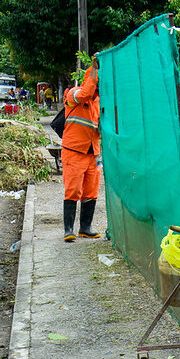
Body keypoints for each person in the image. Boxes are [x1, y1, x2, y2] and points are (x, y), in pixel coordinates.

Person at [61, 58, 102, 242]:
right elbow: (86, 93)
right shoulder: (74, 94)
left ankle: (85, 228)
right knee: (73, 190)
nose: (97, 91)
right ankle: (68, 230)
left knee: (91, 191)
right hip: (74, 151)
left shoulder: (98, 103)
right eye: (96, 85)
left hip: (93, 153)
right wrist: (93, 68)